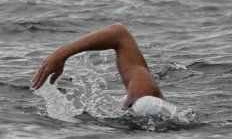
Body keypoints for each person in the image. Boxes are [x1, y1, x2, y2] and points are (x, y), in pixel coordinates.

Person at [31, 23, 165, 110]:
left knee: (145, 103)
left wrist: (60, 54)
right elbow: (120, 35)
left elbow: (120, 34)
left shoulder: (144, 96)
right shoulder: (144, 96)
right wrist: (61, 55)